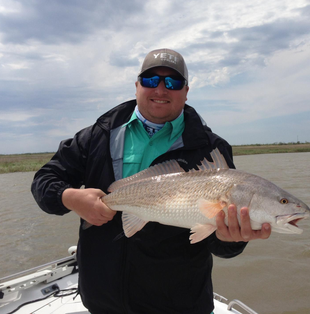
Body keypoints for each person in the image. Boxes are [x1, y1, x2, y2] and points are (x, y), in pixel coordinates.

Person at [31, 48, 271, 314]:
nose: (160, 89)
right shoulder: (98, 135)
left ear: (186, 91)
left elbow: (219, 245)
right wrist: (68, 197)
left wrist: (232, 238)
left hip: (179, 305)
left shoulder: (211, 150)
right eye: (150, 80)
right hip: (103, 302)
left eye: (172, 82)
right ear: (136, 86)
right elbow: (45, 179)